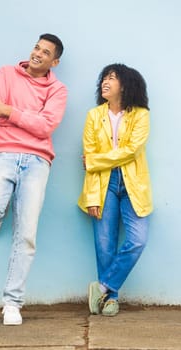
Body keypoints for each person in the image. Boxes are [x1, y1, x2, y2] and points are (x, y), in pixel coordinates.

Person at [0, 33, 67, 325]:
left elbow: (45, 127)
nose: (38, 53)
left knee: (27, 234)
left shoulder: (58, 90)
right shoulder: (6, 73)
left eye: (46, 52)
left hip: (38, 161)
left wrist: (10, 111)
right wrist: (21, 116)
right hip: (3, 153)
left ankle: (12, 303)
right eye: (36, 47)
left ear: (55, 61)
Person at [78, 63, 153, 317]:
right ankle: (110, 300)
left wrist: (96, 160)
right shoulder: (93, 115)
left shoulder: (141, 114)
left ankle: (102, 287)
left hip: (133, 183)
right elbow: (88, 156)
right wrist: (91, 196)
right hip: (103, 184)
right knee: (104, 244)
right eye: (104, 78)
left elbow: (132, 150)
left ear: (126, 84)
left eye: (112, 78)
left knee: (137, 240)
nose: (105, 82)